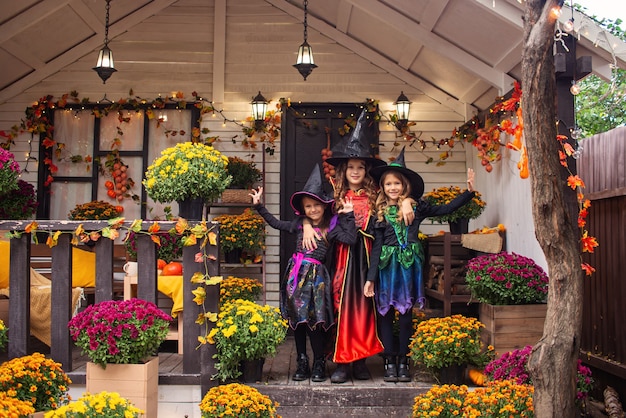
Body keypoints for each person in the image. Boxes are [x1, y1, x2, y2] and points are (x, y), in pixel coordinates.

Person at [303, 110, 415, 384]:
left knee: (366, 311)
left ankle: (362, 361)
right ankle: (343, 361)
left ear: (366, 171)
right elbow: (315, 213)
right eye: (351, 167)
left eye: (361, 167)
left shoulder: (377, 195)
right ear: (344, 170)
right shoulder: (334, 196)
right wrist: (306, 223)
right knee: (342, 308)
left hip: (369, 260)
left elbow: (396, 198)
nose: (355, 171)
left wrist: (405, 202)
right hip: (343, 259)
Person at [364, 147, 478, 382]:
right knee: (385, 314)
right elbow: (375, 248)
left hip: (408, 269)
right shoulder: (379, 214)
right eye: (388, 184)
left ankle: (404, 360)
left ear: (404, 185)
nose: (392, 188)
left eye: (397, 183)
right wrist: (370, 278)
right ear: (382, 188)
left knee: (405, 314)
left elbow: (445, 210)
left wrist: (468, 193)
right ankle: (389, 360)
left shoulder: (417, 207)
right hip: (387, 268)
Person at [250, 164, 357, 382]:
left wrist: (349, 216)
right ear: (303, 209)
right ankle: (301, 360)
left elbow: (351, 239)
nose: (313, 210)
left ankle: (318, 361)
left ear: (324, 207)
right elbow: (276, 223)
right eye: (308, 207)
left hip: (316, 279)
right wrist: (259, 206)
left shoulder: (332, 227)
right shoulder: (300, 224)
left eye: (317, 205)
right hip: (295, 277)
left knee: (314, 322)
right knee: (297, 322)